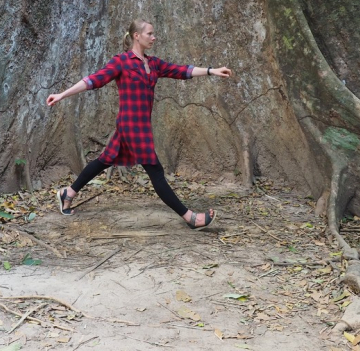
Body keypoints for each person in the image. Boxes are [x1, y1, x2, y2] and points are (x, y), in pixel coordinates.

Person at [46, 19, 232, 230]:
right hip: (130, 126)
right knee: (155, 170)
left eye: (154, 34)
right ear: (137, 35)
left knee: (104, 160)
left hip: (140, 125)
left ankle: (68, 193)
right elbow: (92, 80)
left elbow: (181, 70)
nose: (154, 37)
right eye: (150, 34)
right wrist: (62, 94)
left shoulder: (152, 64)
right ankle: (190, 217)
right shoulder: (121, 62)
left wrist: (211, 70)